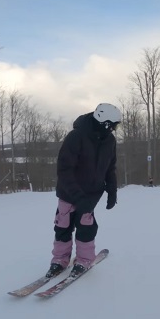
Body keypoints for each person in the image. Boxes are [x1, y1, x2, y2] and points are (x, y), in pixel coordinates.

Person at [46, 103, 121, 278]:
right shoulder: (76, 137)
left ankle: (84, 260)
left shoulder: (109, 140)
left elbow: (110, 167)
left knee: (86, 227)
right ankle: (59, 260)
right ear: (104, 122)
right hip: (69, 193)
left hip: (91, 194)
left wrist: (112, 190)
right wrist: (78, 197)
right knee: (63, 226)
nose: (115, 129)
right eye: (114, 125)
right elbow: (64, 170)